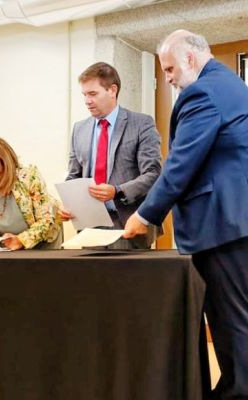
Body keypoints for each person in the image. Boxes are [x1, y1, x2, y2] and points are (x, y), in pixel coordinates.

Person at [124, 30, 248, 399]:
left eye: (170, 68)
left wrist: (145, 215)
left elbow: (181, 164)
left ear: (190, 59)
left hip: (222, 226)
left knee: (231, 322)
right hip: (233, 223)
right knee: (234, 320)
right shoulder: (229, 84)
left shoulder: (203, 93)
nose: (168, 78)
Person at [59, 61, 162, 249]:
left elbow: (153, 174)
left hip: (128, 224)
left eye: (93, 94)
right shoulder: (79, 129)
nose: (87, 100)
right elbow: (73, 176)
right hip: (89, 226)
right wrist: (68, 204)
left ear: (112, 90)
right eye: (84, 94)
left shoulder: (142, 124)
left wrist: (117, 191)